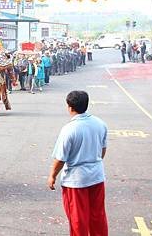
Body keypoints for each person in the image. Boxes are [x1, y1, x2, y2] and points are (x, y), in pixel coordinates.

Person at [47, 91, 108, 236]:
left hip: (76, 180)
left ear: (70, 107)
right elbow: (102, 150)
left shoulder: (69, 129)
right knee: (97, 215)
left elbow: (60, 158)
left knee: (78, 219)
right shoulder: (100, 124)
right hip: (97, 176)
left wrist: (52, 176)